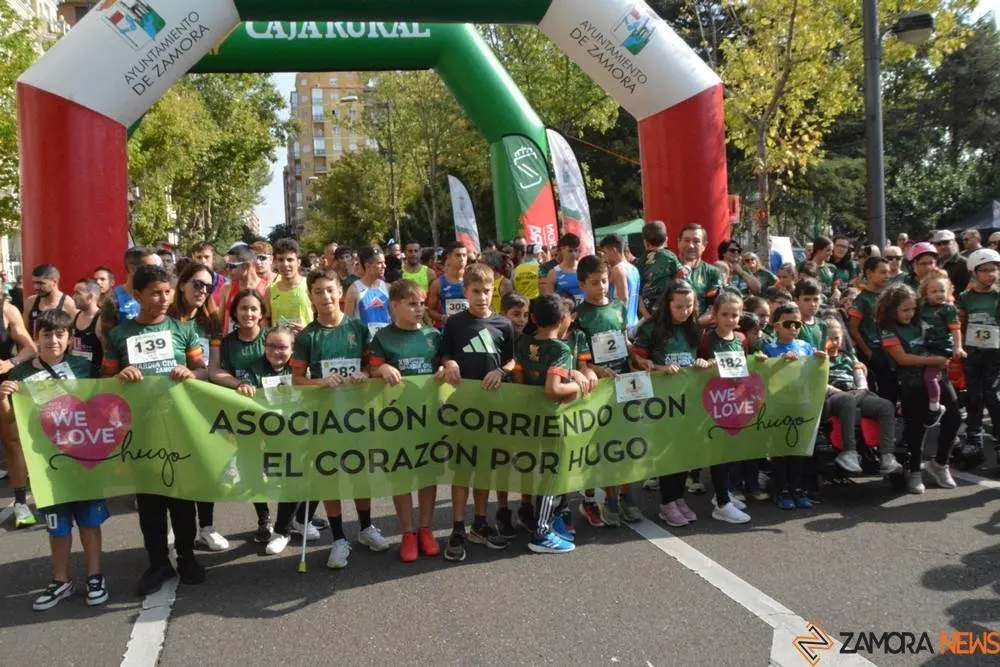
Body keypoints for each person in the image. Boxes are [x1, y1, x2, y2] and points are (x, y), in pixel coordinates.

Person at [103, 264, 207, 595]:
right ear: (138, 295)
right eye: (155, 293)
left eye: (167, 292)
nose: (163, 299)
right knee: (149, 501)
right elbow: (104, 381)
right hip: (140, 430)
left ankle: (187, 556)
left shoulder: (184, 330)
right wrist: (121, 377)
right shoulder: (120, 335)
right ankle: (157, 562)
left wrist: (190, 373)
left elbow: (203, 371)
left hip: (179, 426)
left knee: (182, 496)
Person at [0, 310, 109, 610]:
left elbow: (102, 404)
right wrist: (3, 398)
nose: (53, 340)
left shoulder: (83, 366)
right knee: (57, 526)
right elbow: (10, 425)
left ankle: (95, 576)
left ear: (69, 339)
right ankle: (61, 580)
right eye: (46, 334)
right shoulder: (19, 375)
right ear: (36, 337)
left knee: (89, 522)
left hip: (83, 459)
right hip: (46, 465)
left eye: (60, 334)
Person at [291, 268, 388, 568]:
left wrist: (365, 373)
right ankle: (338, 538)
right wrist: (320, 382)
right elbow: (296, 380)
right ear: (311, 297)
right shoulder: (307, 336)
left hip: (356, 416)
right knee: (330, 476)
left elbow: (373, 367)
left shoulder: (358, 329)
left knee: (360, 473)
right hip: (325, 418)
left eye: (330, 290)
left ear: (340, 293)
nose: (325, 297)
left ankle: (366, 528)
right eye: (318, 292)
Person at [438, 263, 516, 558]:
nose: (482, 297)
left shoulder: (504, 325)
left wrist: (502, 372)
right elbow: (444, 353)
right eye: (476, 291)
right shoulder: (455, 324)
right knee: (463, 469)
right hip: (462, 408)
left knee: (485, 468)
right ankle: (457, 528)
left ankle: (480, 524)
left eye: (487, 291)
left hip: (492, 408)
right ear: (465, 292)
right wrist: (449, 363)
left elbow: (511, 360)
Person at [370, 280, 446, 563]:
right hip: (396, 419)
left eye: (421, 303)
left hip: (429, 416)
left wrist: (445, 367)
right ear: (394, 306)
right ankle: (407, 532)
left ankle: (426, 528)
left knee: (428, 472)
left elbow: (445, 361)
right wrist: (383, 368)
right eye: (412, 304)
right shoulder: (383, 338)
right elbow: (370, 368)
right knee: (401, 474)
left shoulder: (433, 335)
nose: (419, 309)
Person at [631, 280, 712, 526]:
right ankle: (667, 503)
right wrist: (658, 368)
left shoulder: (694, 328)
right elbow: (636, 360)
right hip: (661, 400)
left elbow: (702, 358)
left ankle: (678, 498)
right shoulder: (651, 328)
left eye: (689, 306)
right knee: (669, 452)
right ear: (668, 304)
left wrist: (703, 364)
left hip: (687, 399)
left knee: (684, 452)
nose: (684, 311)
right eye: (679, 306)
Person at [573, 255, 642, 524]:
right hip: (598, 388)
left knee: (626, 441)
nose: (601, 287)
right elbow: (578, 354)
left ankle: (628, 495)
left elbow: (625, 342)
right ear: (582, 285)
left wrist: (638, 361)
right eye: (594, 283)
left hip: (624, 383)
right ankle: (610, 498)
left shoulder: (618, 307)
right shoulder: (579, 316)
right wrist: (597, 371)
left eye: (604, 281)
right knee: (607, 445)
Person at [512, 295, 581, 554]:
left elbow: (518, 378)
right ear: (563, 318)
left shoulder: (524, 342)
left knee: (538, 471)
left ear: (532, 318)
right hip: (552, 420)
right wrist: (578, 386)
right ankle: (542, 533)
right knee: (551, 475)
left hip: (529, 417)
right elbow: (553, 389)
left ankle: (535, 520)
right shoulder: (560, 350)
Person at [167, 263, 228, 552]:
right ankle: (179, 528)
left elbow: (212, 369)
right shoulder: (164, 319)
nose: (202, 290)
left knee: (204, 467)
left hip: (202, 404)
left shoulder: (212, 322)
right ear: (181, 284)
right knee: (175, 468)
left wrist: (194, 374)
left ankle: (207, 527)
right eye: (196, 284)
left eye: (207, 286)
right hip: (167, 406)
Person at [878, 283, 960, 494]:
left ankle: (940, 465)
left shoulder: (921, 321)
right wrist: (936, 359)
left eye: (913, 308)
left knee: (954, 417)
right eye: (905, 309)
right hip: (910, 383)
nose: (910, 313)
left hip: (936, 376)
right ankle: (915, 472)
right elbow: (902, 358)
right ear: (892, 309)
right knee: (917, 427)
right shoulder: (888, 330)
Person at [209, 289, 272, 545]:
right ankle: (264, 517)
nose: (248, 313)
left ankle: (296, 519)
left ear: (262, 313)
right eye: (243, 308)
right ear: (234, 312)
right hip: (243, 416)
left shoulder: (272, 337)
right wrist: (238, 384)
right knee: (251, 465)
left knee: (289, 463)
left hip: (274, 413)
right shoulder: (227, 343)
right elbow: (215, 373)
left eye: (254, 309)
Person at [761, 304, 827, 509]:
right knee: (781, 451)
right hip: (779, 407)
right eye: (788, 324)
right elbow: (764, 374)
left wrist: (820, 359)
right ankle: (781, 490)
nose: (793, 328)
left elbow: (814, 372)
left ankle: (797, 489)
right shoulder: (770, 348)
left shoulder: (805, 347)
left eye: (797, 324)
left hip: (802, 405)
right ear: (776, 326)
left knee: (799, 450)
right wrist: (777, 361)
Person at [697, 292, 753, 523]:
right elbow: (698, 365)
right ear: (715, 315)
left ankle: (725, 492)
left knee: (731, 450)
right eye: (725, 314)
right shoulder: (706, 338)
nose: (729, 319)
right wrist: (703, 363)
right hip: (712, 404)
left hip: (735, 403)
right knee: (718, 452)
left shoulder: (740, 339)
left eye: (734, 315)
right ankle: (722, 502)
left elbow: (745, 364)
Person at [825, 319, 901, 475]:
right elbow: (819, 382)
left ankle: (887, 455)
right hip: (832, 396)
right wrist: (838, 392)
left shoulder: (847, 357)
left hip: (854, 392)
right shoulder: (819, 359)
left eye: (837, 338)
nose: (834, 342)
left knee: (885, 405)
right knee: (848, 400)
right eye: (830, 338)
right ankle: (849, 452)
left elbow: (859, 374)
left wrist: (862, 389)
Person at [0, 281, 37, 527]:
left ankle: (21, 502)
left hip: (2, 385)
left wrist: (11, 363)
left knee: (12, 443)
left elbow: (30, 348)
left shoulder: (7, 310)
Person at [958, 248, 1000, 462]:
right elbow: (959, 324)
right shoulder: (965, 298)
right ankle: (974, 443)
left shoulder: (998, 296)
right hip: (972, 355)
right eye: (985, 271)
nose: (990, 274)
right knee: (974, 398)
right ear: (974, 272)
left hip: (995, 355)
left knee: (994, 398)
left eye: (994, 270)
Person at [919, 272, 964, 426]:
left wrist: (957, 346)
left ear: (949, 292)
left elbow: (956, 329)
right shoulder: (922, 307)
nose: (939, 294)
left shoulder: (948, 309)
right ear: (925, 293)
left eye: (942, 291)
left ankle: (935, 407)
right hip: (924, 347)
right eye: (934, 291)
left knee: (929, 377)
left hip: (940, 348)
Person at [848, 257, 892, 401]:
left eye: (888, 272)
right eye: (882, 272)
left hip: (891, 349)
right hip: (873, 352)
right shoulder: (862, 299)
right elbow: (853, 329)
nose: (887, 276)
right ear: (869, 273)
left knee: (890, 389)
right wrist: (868, 353)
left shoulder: (889, 296)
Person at [99, 247, 161, 343]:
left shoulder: (162, 295)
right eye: (151, 268)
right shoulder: (113, 299)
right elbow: (107, 340)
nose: (157, 273)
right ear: (133, 269)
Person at [344, 246, 392, 340]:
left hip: (386, 343)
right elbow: (347, 322)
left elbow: (395, 318)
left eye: (384, 262)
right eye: (379, 263)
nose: (384, 266)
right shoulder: (354, 290)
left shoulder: (388, 287)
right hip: (365, 345)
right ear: (367, 266)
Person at [677, 224, 723, 322]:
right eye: (686, 240)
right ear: (679, 242)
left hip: (699, 328)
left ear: (704, 246)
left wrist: (696, 325)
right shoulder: (667, 268)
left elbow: (713, 307)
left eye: (696, 241)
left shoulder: (712, 272)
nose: (691, 245)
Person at [220, 245, 267, 334]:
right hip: (230, 344)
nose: (227, 269)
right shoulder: (226, 288)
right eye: (227, 265)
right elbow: (219, 322)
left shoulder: (266, 289)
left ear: (246, 266)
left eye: (231, 266)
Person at [639, 221, 681, 319]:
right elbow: (681, 274)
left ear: (645, 242)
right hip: (665, 301)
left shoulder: (641, 260)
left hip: (647, 302)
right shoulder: (670, 256)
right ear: (666, 239)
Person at [269, 238, 313, 331]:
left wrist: (307, 331)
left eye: (290, 260)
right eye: (280, 260)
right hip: (279, 344)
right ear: (275, 263)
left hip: (306, 343)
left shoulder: (310, 286)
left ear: (298, 262)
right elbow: (266, 319)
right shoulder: (270, 290)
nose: (285, 264)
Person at [600, 234, 641, 330]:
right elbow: (638, 297)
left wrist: (622, 327)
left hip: (622, 326)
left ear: (613, 250)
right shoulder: (634, 269)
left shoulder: (617, 269)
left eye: (605, 253)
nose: (604, 258)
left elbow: (624, 299)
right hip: (634, 323)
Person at [23, 264, 77, 336]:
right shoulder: (30, 302)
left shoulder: (68, 303)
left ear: (54, 282)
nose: (35, 287)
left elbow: (73, 333)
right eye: (34, 283)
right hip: (34, 346)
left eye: (40, 283)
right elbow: (23, 330)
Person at [426, 242, 470, 328]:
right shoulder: (438, 284)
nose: (462, 259)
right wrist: (442, 317)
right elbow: (430, 310)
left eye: (464, 255)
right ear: (449, 257)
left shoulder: (473, 280)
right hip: (449, 331)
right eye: (458, 255)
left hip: (470, 329)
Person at [71, 278, 103, 376]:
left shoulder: (101, 319)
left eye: (77, 293)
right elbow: (71, 345)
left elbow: (107, 352)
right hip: (76, 373)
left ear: (90, 296)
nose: (73, 297)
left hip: (94, 377)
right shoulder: (76, 315)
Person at [542, 233, 585, 304]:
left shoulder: (584, 268)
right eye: (570, 251)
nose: (574, 254)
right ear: (562, 249)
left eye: (576, 250)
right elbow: (549, 302)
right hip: (565, 313)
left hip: (585, 312)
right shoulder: (553, 273)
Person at [794, 279, 827, 350]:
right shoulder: (793, 325)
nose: (812, 304)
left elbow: (823, 352)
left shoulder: (822, 325)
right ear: (796, 301)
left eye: (816, 299)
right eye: (806, 299)